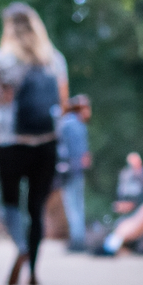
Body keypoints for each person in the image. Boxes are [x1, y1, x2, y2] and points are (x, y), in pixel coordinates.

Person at [0, 2, 69, 285]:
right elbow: (62, 105)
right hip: (46, 140)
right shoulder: (54, 60)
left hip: (9, 141)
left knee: (8, 203)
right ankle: (34, 272)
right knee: (36, 207)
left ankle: (21, 247)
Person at [56, 94, 92, 252]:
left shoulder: (68, 123)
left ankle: (77, 240)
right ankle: (78, 240)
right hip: (72, 171)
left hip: (71, 171)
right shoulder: (73, 124)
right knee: (76, 205)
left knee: (74, 206)